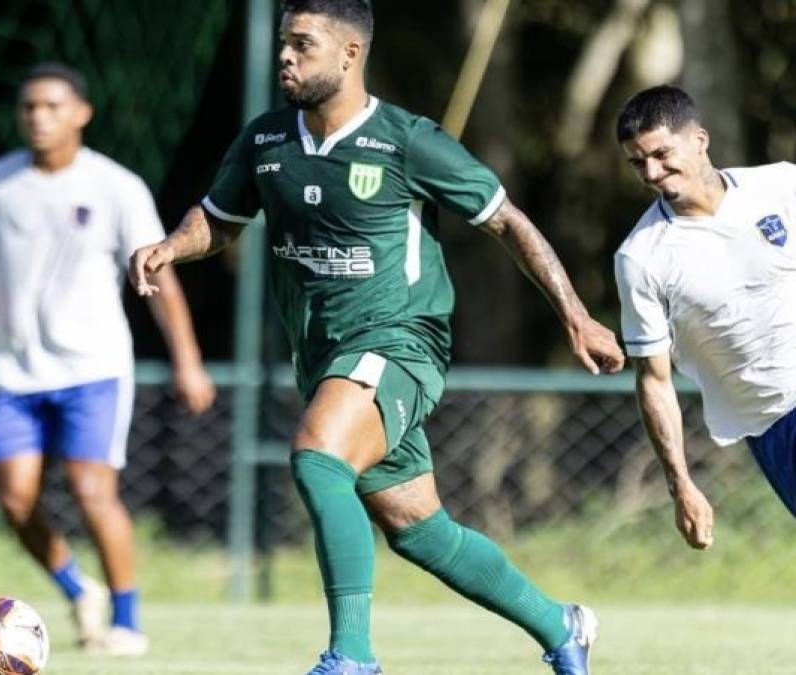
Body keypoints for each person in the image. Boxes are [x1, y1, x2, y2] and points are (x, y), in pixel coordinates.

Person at [131, 2, 624, 673]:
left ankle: (353, 657)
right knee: (419, 530)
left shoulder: (407, 140)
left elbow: (506, 220)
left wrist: (575, 314)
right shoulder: (266, 142)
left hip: (401, 342)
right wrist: (171, 246)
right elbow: (220, 219)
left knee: (317, 456)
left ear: (350, 53)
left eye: (302, 44)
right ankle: (560, 625)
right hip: (323, 355)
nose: (285, 56)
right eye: (283, 43)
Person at [0, 62, 216, 656]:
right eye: (29, 107)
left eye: (52, 106)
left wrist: (187, 359)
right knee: (14, 498)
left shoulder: (116, 186)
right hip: (16, 370)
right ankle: (77, 588)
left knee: (92, 491)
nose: (39, 117)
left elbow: (159, 276)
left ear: (81, 113)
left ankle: (126, 620)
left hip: (94, 368)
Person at [614, 84, 796, 551]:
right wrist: (680, 485)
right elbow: (654, 379)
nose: (651, 173)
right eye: (638, 163)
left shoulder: (781, 185)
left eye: (661, 154)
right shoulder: (641, 258)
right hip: (775, 418)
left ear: (700, 140)